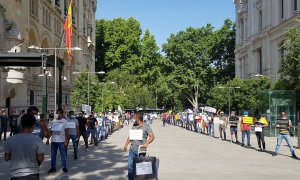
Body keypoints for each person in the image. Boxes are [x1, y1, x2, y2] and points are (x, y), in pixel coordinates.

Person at [4, 114, 45, 180]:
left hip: (15, 175)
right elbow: (41, 158)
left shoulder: (10, 139)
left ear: (21, 125)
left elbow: (7, 158)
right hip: (33, 174)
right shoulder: (37, 140)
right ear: (33, 125)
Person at [123, 112, 155, 180]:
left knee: (140, 170)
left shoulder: (146, 126)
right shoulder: (134, 125)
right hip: (132, 150)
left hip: (141, 151)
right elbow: (130, 136)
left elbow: (152, 137)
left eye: (135, 118)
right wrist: (126, 144)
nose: (134, 119)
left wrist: (147, 143)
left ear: (138, 119)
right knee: (130, 168)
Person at [48, 108, 69, 173]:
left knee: (63, 155)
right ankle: (53, 167)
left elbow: (66, 132)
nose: (58, 114)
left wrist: (66, 141)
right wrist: (48, 139)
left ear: (62, 114)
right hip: (54, 141)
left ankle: (64, 167)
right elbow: (51, 131)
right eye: (57, 113)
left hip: (62, 141)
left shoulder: (65, 121)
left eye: (59, 113)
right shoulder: (53, 121)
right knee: (53, 155)